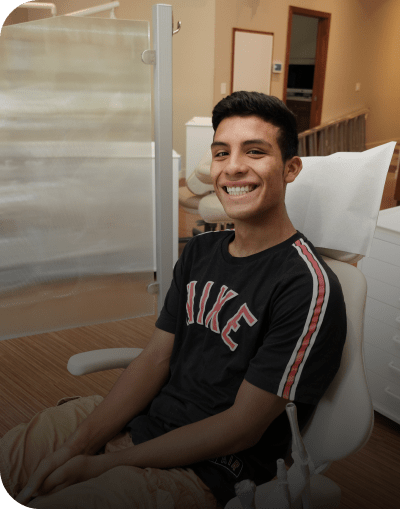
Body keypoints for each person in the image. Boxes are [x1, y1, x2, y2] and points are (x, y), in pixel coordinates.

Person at [0, 91, 346, 509]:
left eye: (255, 152)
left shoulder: (306, 285)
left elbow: (242, 427)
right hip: (146, 419)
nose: (233, 166)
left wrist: (104, 465)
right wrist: (77, 445)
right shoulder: (201, 252)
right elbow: (154, 360)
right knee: (13, 460)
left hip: (210, 469)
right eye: (221, 153)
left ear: (291, 168)